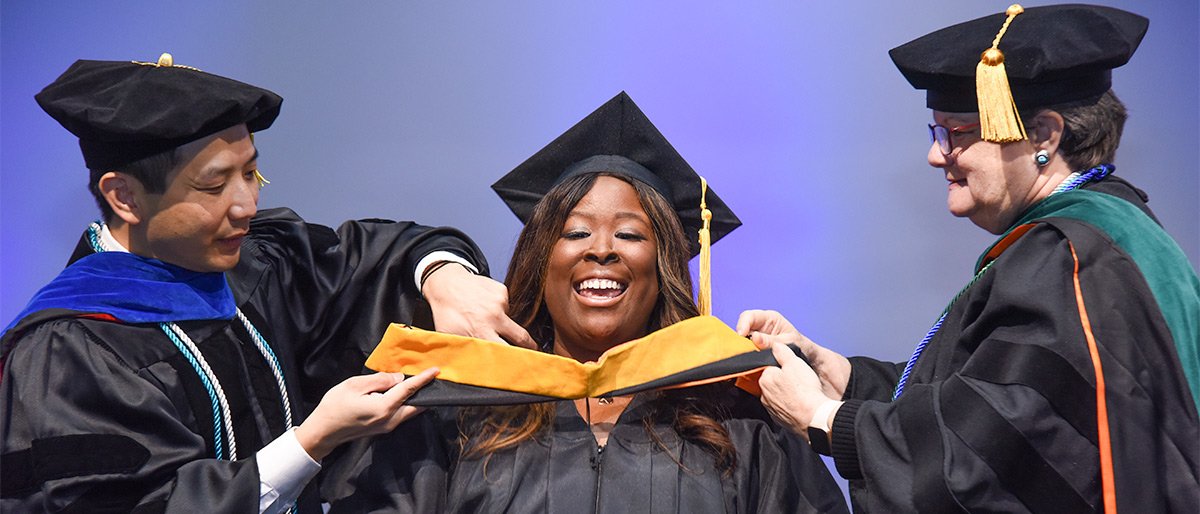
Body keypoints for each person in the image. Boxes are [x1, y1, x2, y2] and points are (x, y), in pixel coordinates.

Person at [0, 54, 534, 513]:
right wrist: (312, 441)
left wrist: (444, 277)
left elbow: (382, 255)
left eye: (251, 173)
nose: (247, 205)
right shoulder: (67, 352)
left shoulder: (259, 264)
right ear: (124, 197)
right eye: (214, 185)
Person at [737, 4, 1200, 513]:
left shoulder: (1066, 255)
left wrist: (821, 418)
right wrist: (836, 373)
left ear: (1044, 136)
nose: (937, 155)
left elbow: (993, 452)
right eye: (937, 134)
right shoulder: (1108, 231)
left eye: (957, 133)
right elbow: (976, 397)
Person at [323, 92, 850, 513]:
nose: (601, 249)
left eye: (630, 234)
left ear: (664, 263)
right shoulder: (456, 412)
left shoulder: (736, 418)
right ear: (539, 260)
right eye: (575, 232)